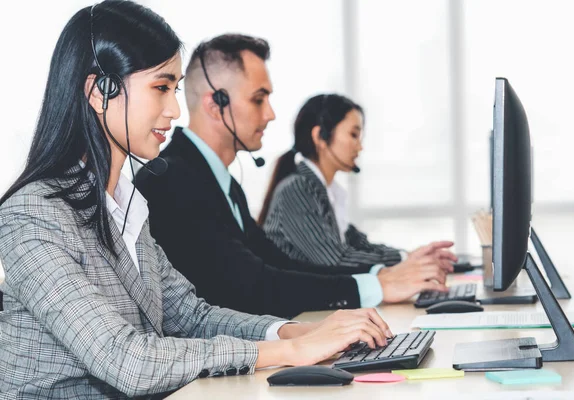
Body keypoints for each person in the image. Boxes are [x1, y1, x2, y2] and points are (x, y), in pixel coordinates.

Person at [0, 3, 395, 398]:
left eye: (174, 89)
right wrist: (288, 351)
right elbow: (126, 361)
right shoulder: (33, 215)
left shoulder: (127, 205)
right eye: (160, 88)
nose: (173, 110)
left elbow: (192, 316)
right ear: (100, 91)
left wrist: (298, 331)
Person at [136, 34, 454, 320]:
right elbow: (251, 285)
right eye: (258, 99)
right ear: (216, 104)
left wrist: (380, 279)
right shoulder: (172, 180)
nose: (271, 114)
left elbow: (279, 265)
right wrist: (376, 285)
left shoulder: (224, 184)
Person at [258, 94, 455, 270]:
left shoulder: (326, 192)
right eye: (353, 135)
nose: (359, 147)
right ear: (320, 136)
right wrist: (405, 259)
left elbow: (360, 245)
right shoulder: (298, 189)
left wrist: (411, 256)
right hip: (296, 310)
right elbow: (334, 260)